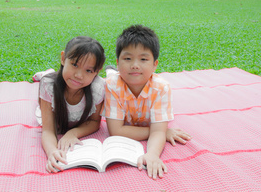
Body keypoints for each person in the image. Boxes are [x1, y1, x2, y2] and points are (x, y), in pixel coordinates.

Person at [102, 25, 192, 179]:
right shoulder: (111, 85)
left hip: (138, 92)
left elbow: (156, 132)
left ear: (155, 65)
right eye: (127, 58)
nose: (135, 65)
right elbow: (116, 131)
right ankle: (111, 71)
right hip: (117, 79)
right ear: (118, 61)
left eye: (143, 59)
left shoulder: (161, 88)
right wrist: (162, 132)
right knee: (112, 77)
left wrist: (152, 154)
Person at [35, 36, 106, 173]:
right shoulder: (48, 86)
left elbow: (95, 121)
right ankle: (46, 73)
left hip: (75, 123)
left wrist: (72, 133)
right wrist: (52, 152)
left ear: (97, 72)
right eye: (74, 64)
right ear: (63, 58)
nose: (79, 75)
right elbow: (48, 130)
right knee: (48, 78)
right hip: (57, 114)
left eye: (89, 70)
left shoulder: (98, 87)